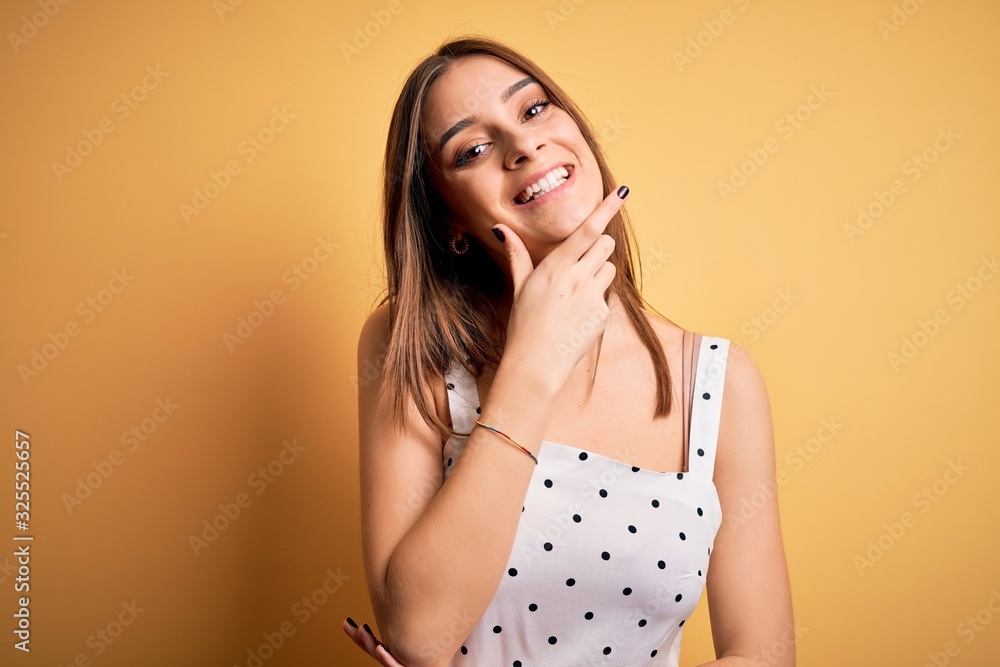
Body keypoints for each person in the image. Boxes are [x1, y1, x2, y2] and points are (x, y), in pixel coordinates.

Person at [343, 35, 794, 667]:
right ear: (448, 219)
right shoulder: (413, 345)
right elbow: (418, 632)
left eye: (533, 110)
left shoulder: (718, 382)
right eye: (473, 149)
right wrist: (534, 365)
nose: (524, 145)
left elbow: (763, 653)